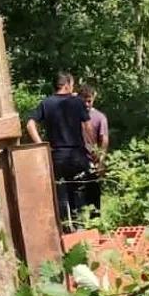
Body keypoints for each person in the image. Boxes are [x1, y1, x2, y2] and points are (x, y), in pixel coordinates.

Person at [26, 72, 94, 229]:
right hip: (77, 154)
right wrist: (93, 149)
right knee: (78, 191)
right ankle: (81, 229)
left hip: (57, 156)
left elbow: (30, 124)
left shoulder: (46, 103)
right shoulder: (77, 102)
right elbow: (88, 127)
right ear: (67, 85)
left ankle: (65, 230)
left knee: (61, 194)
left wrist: (41, 145)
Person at [78, 84, 109, 215]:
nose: (86, 104)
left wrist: (101, 161)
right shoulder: (73, 116)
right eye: (83, 100)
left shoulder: (99, 117)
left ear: (93, 99)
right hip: (76, 162)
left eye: (89, 100)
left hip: (93, 162)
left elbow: (104, 139)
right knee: (78, 199)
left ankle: (96, 225)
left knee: (94, 199)